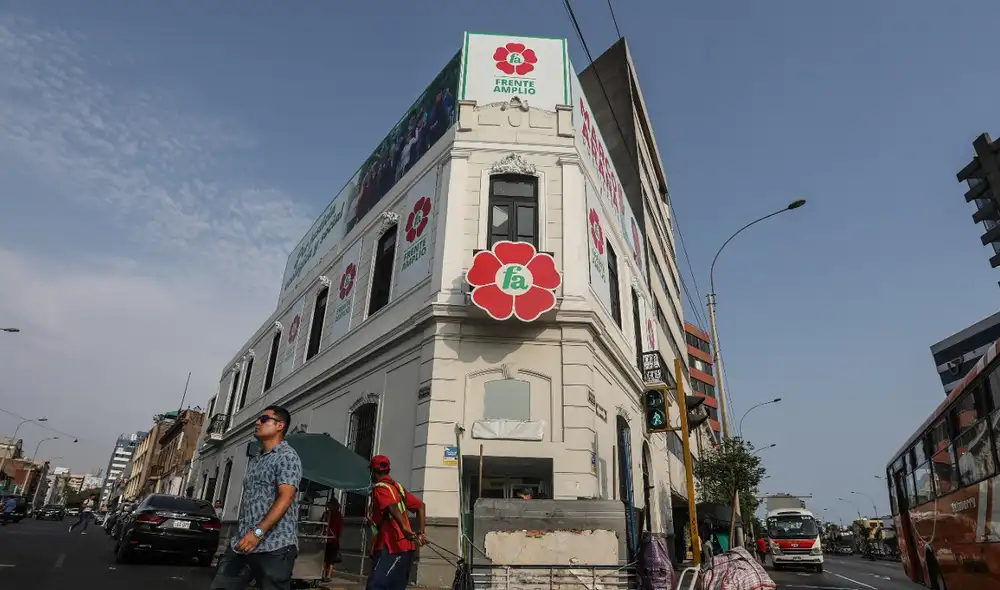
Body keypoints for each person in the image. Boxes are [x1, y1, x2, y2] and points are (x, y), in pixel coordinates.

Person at [211, 405, 303, 590]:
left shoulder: (287, 457)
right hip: (243, 543)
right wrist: (248, 535)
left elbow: (286, 498)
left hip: (275, 546)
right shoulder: (256, 459)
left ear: (280, 426)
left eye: (263, 419)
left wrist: (258, 533)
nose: (257, 422)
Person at [366, 455, 426, 590]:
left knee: (376, 586)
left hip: (391, 545)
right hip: (407, 547)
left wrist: (404, 528)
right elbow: (420, 506)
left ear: (373, 471)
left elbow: (391, 507)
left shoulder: (380, 488)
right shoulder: (397, 488)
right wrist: (421, 533)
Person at [323, 495, 344, 581]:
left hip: (325, 538)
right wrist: (338, 537)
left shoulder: (326, 514)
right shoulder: (338, 515)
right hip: (333, 539)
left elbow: (321, 523)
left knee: (325, 558)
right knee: (331, 559)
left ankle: (323, 574)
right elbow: (340, 529)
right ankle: (328, 576)